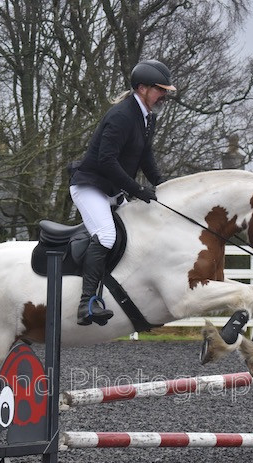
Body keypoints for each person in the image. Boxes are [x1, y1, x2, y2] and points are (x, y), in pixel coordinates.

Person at [68, 59, 176, 326]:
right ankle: (86, 304)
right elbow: (107, 161)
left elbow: (145, 157)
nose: (163, 95)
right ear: (142, 88)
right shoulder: (121, 116)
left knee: (137, 232)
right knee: (106, 236)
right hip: (90, 187)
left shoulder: (146, 117)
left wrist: (163, 186)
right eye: (159, 89)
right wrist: (138, 189)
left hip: (112, 189)